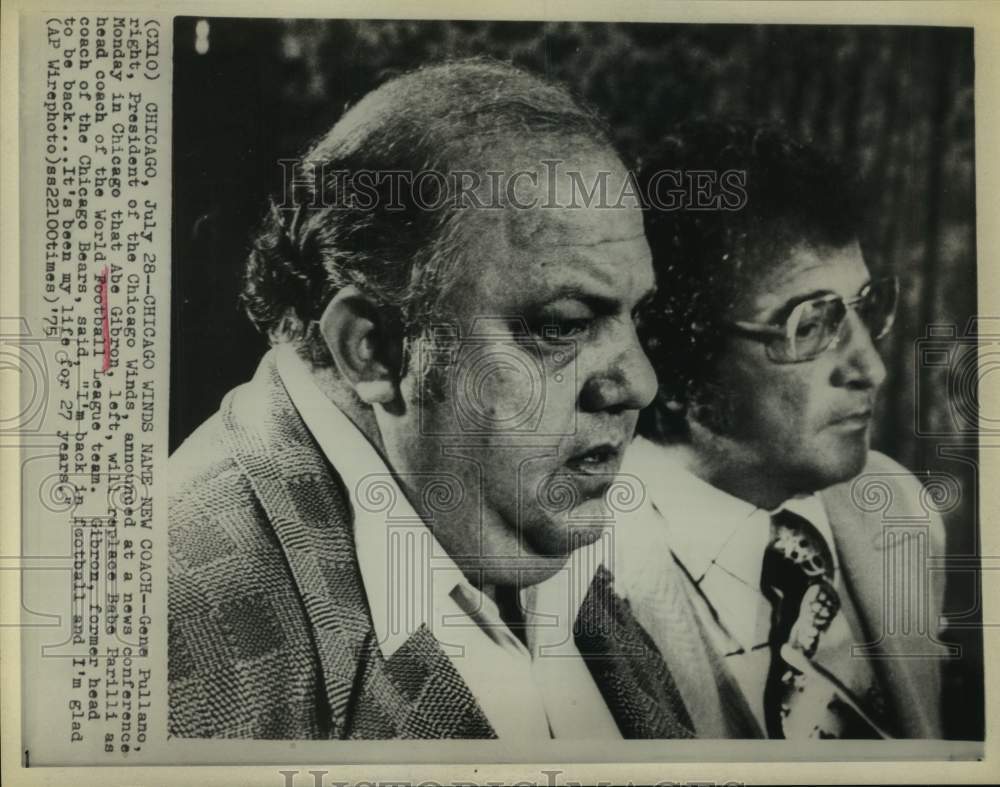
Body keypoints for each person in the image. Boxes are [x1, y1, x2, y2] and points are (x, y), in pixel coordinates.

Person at [167, 58, 695, 740]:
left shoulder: (498, 503)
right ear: (375, 349)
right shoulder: (178, 622)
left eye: (635, 318)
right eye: (563, 325)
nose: (641, 383)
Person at [617, 120, 946, 739]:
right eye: (811, 326)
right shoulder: (578, 573)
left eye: (865, 308)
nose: (870, 369)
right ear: (680, 358)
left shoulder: (898, 508)